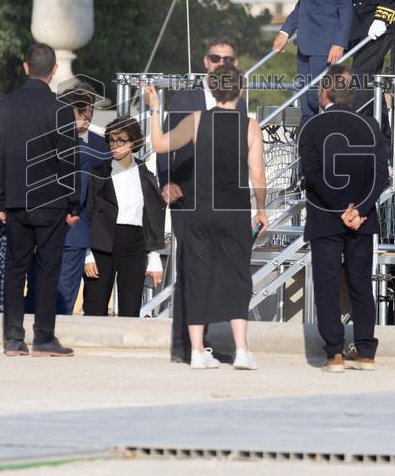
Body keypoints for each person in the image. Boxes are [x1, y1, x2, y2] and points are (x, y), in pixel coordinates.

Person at [146, 64, 267, 371]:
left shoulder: (197, 120)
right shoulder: (250, 126)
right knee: (238, 278)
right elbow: (257, 174)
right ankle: (241, 351)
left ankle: (198, 351)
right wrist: (262, 209)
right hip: (234, 210)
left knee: (197, 276)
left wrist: (154, 109)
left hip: (200, 209)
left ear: (211, 89)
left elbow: (159, 145)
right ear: (239, 91)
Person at [156, 38, 248, 363]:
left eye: (228, 59)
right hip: (187, 198)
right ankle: (184, 346)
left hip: (226, 203)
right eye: (215, 57)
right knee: (191, 271)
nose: (221, 63)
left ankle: (202, 341)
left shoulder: (240, 102)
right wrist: (166, 181)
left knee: (223, 271)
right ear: (205, 61)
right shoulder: (185, 98)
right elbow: (166, 143)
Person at [0, 42, 80, 357]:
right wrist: (73, 202)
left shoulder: (5, 106)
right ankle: (44, 337)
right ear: (54, 70)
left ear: (25, 66)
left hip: (16, 199)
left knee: (15, 269)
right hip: (52, 199)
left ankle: (13, 338)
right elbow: (68, 159)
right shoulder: (60, 108)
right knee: (47, 269)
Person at [298, 65, 388, 373]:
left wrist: (340, 210)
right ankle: (365, 352)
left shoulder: (311, 128)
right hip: (361, 220)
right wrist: (358, 210)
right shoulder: (370, 125)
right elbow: (380, 177)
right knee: (361, 284)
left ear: (324, 93)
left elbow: (313, 176)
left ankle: (334, 354)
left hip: (326, 218)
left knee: (327, 286)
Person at [25, 81, 110, 315]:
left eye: (90, 108)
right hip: (41, 232)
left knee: (63, 300)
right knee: (35, 294)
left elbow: (102, 198)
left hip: (74, 236)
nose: (87, 114)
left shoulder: (102, 147)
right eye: (81, 109)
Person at [82, 116, 165, 317]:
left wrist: (154, 257)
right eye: (111, 140)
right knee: (95, 305)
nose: (114, 145)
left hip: (135, 245)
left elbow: (152, 216)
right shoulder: (98, 174)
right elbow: (88, 213)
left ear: (133, 142)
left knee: (130, 307)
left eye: (121, 140)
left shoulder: (146, 175)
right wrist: (87, 254)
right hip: (102, 245)